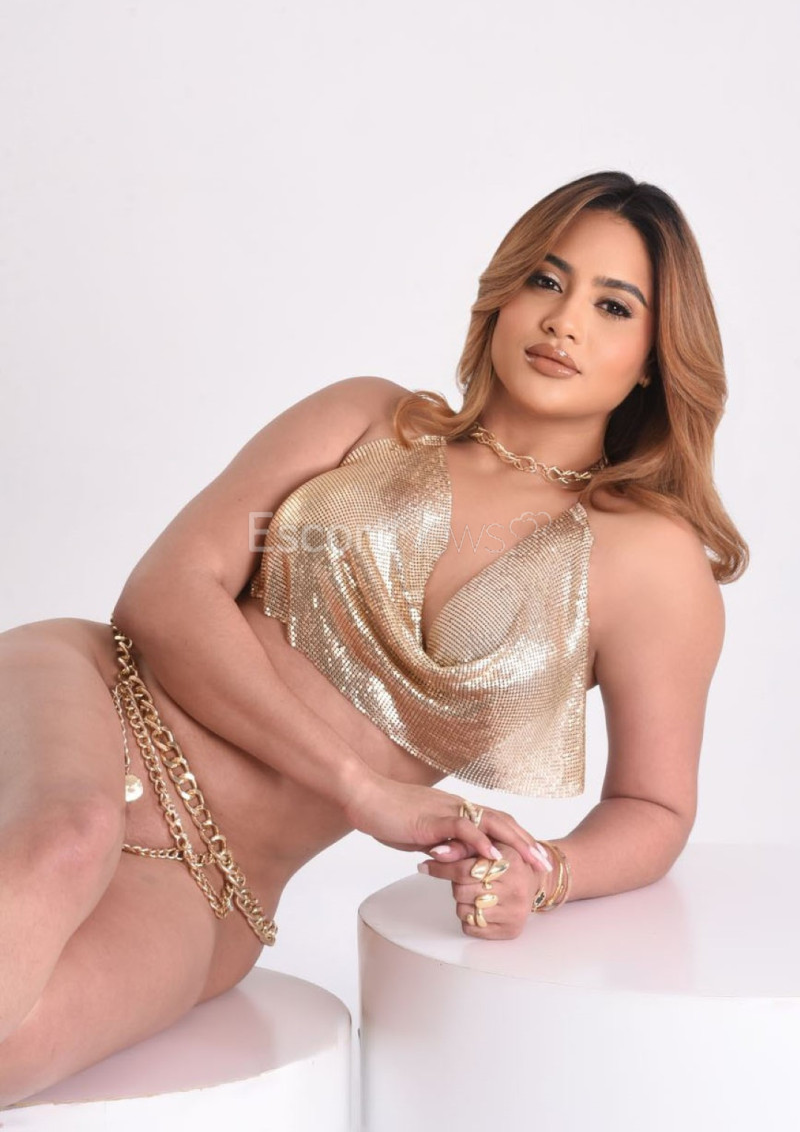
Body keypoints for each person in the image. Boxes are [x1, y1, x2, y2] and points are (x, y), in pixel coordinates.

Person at [0, 170, 747, 1106]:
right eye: (546, 281)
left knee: (19, 1049)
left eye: (612, 305)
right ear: (504, 291)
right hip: (97, 704)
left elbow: (654, 805)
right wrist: (361, 790)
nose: (564, 322)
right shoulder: (370, 417)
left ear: (651, 358)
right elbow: (163, 594)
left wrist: (542, 874)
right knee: (68, 839)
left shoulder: (653, 566)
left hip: (214, 879)